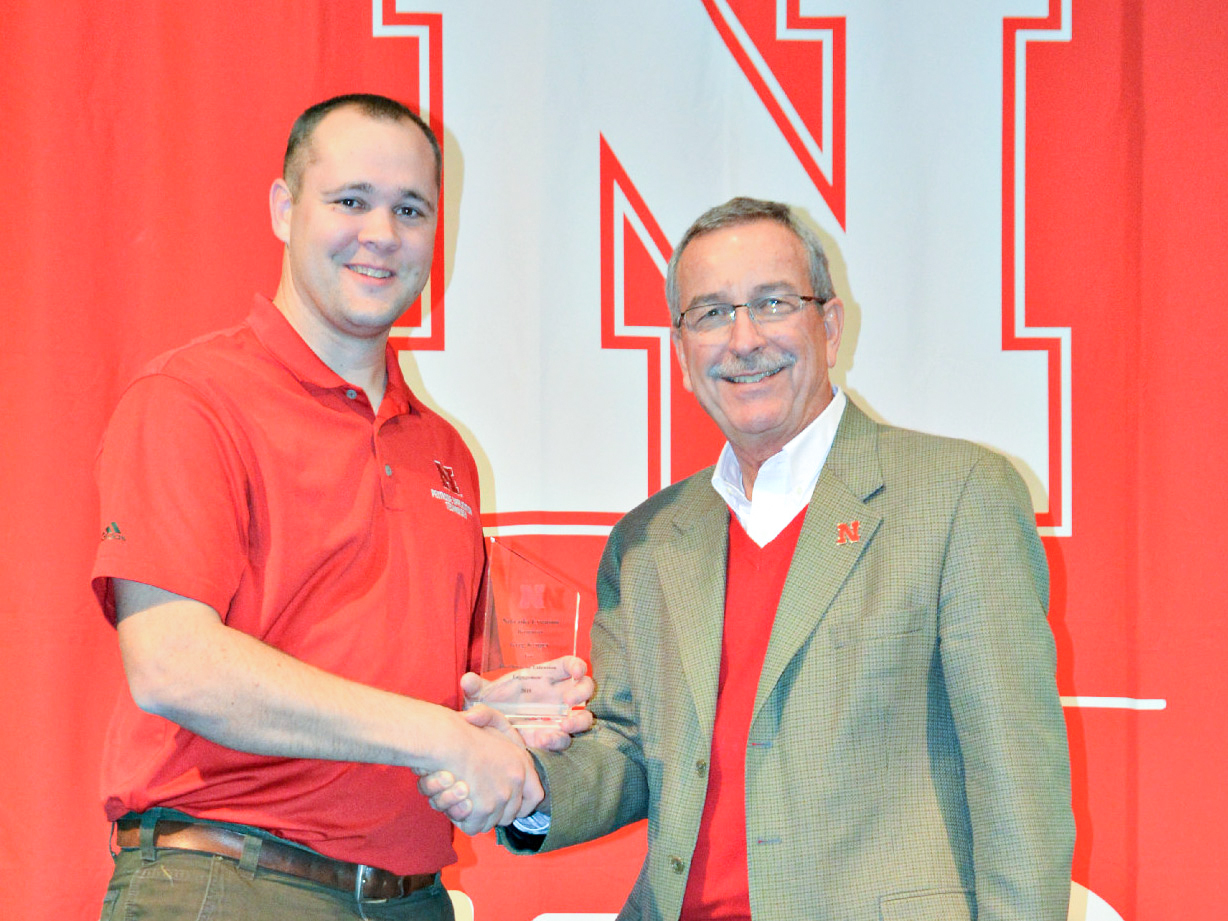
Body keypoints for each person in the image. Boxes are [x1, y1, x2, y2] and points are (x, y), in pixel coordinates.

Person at [422, 197, 1075, 920]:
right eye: (710, 313)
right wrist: (524, 775)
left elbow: (1022, 789)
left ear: (828, 326)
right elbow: (627, 753)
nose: (742, 338)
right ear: (681, 352)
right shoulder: (647, 542)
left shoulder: (958, 496)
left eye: (772, 303)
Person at [92, 93, 590, 921]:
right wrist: (437, 736)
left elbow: (406, 698)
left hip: (410, 897)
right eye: (351, 201)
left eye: (410, 209)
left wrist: (489, 719)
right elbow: (172, 663)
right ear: (285, 210)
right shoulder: (193, 400)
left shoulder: (447, 454)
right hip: (230, 882)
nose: (382, 234)